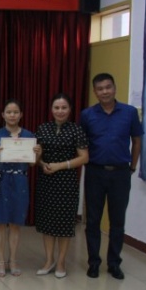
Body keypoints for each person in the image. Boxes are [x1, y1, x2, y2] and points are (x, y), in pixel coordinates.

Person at [81, 73, 143, 280]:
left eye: (108, 87)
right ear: (95, 92)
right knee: (93, 220)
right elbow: (82, 144)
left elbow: (137, 140)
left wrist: (132, 167)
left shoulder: (129, 112)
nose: (105, 91)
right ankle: (93, 262)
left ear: (114, 88)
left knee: (117, 221)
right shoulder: (87, 115)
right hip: (95, 172)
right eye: (100, 89)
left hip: (120, 173)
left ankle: (114, 263)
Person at [35, 94, 89, 278]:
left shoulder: (76, 130)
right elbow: (36, 156)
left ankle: (61, 262)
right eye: (56, 108)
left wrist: (60, 165)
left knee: (64, 224)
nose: (60, 111)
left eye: (64, 107)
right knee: (48, 222)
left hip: (67, 182)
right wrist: (42, 163)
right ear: (51, 109)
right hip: (46, 181)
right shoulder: (43, 128)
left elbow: (84, 157)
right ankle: (49, 260)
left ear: (70, 109)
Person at [0, 99, 40, 277]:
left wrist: (38, 154)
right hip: (1, 180)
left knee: (16, 223)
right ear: (3, 114)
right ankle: (1, 261)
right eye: (9, 112)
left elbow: (32, 164)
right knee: (0, 223)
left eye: (15, 112)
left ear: (21, 115)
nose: (12, 115)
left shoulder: (28, 136)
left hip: (19, 181)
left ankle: (14, 260)